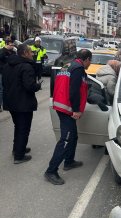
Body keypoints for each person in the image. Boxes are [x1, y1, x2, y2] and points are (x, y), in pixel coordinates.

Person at [45, 49, 92, 185]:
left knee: (73, 135)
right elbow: (74, 91)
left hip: (62, 105)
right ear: (87, 59)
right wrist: (76, 110)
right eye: (90, 61)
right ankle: (51, 171)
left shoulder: (68, 65)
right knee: (65, 140)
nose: (90, 64)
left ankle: (69, 161)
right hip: (67, 108)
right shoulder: (78, 69)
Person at [2, 44, 42, 164]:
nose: (32, 54)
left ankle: (18, 149)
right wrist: (38, 85)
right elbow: (30, 86)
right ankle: (19, 156)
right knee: (23, 129)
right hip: (23, 103)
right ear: (24, 53)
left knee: (18, 127)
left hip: (11, 101)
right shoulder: (26, 67)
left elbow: (4, 83)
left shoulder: (8, 65)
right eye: (30, 52)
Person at [0, 39, 16, 112]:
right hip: (2, 73)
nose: (12, 46)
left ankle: (8, 104)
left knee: (9, 88)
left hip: (10, 73)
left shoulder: (13, 52)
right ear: (6, 44)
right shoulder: (2, 51)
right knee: (1, 89)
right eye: (11, 45)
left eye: (13, 45)